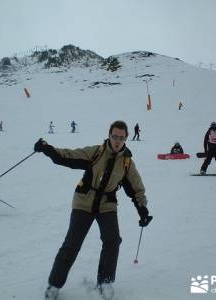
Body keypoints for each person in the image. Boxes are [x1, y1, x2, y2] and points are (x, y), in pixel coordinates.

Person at [34, 120, 152, 300]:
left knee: (112, 241)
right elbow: (68, 156)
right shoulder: (96, 152)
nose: (117, 140)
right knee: (72, 244)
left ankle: (105, 282)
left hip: (107, 205)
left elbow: (136, 188)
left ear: (126, 138)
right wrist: (47, 149)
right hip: (84, 201)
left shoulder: (127, 163)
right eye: (114, 136)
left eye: (121, 137)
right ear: (109, 135)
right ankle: (54, 285)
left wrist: (142, 209)